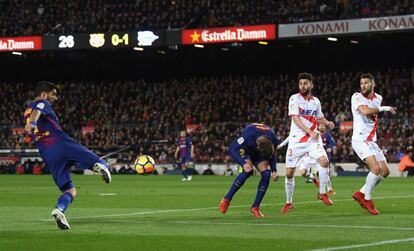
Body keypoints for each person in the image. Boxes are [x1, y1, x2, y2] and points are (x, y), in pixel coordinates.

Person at [24, 81, 111, 230]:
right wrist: (32, 123)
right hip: (60, 143)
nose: (56, 98)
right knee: (102, 162)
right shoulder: (42, 103)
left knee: (70, 191)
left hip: (47, 153)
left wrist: (31, 124)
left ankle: (59, 210)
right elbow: (37, 112)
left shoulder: (26, 110)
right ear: (45, 93)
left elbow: (33, 115)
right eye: (54, 94)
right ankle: (96, 166)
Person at [282, 72, 335, 214]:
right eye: (300, 83)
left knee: (324, 161)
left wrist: (327, 122)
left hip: (312, 140)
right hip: (296, 141)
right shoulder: (294, 99)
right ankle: (288, 202)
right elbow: (296, 119)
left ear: (311, 84)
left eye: (305, 83)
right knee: (289, 173)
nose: (303, 86)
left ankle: (322, 193)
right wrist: (309, 131)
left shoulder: (315, 101)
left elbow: (318, 117)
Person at [351, 73, 396, 215]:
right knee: (375, 168)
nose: (363, 85)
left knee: (385, 171)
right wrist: (385, 108)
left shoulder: (378, 98)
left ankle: (361, 193)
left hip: (371, 140)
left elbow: (373, 113)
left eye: (366, 83)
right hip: (359, 139)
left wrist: (381, 107)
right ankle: (368, 199)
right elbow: (365, 111)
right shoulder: (356, 97)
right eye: (361, 83)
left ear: (373, 84)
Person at [219, 123, 279, 218]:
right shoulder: (249, 134)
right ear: (258, 147)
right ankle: (227, 199)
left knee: (266, 174)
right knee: (248, 171)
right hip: (246, 150)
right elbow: (232, 148)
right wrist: (243, 163)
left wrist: (274, 170)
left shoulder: (274, 139)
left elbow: (271, 154)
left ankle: (255, 207)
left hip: (259, 153)